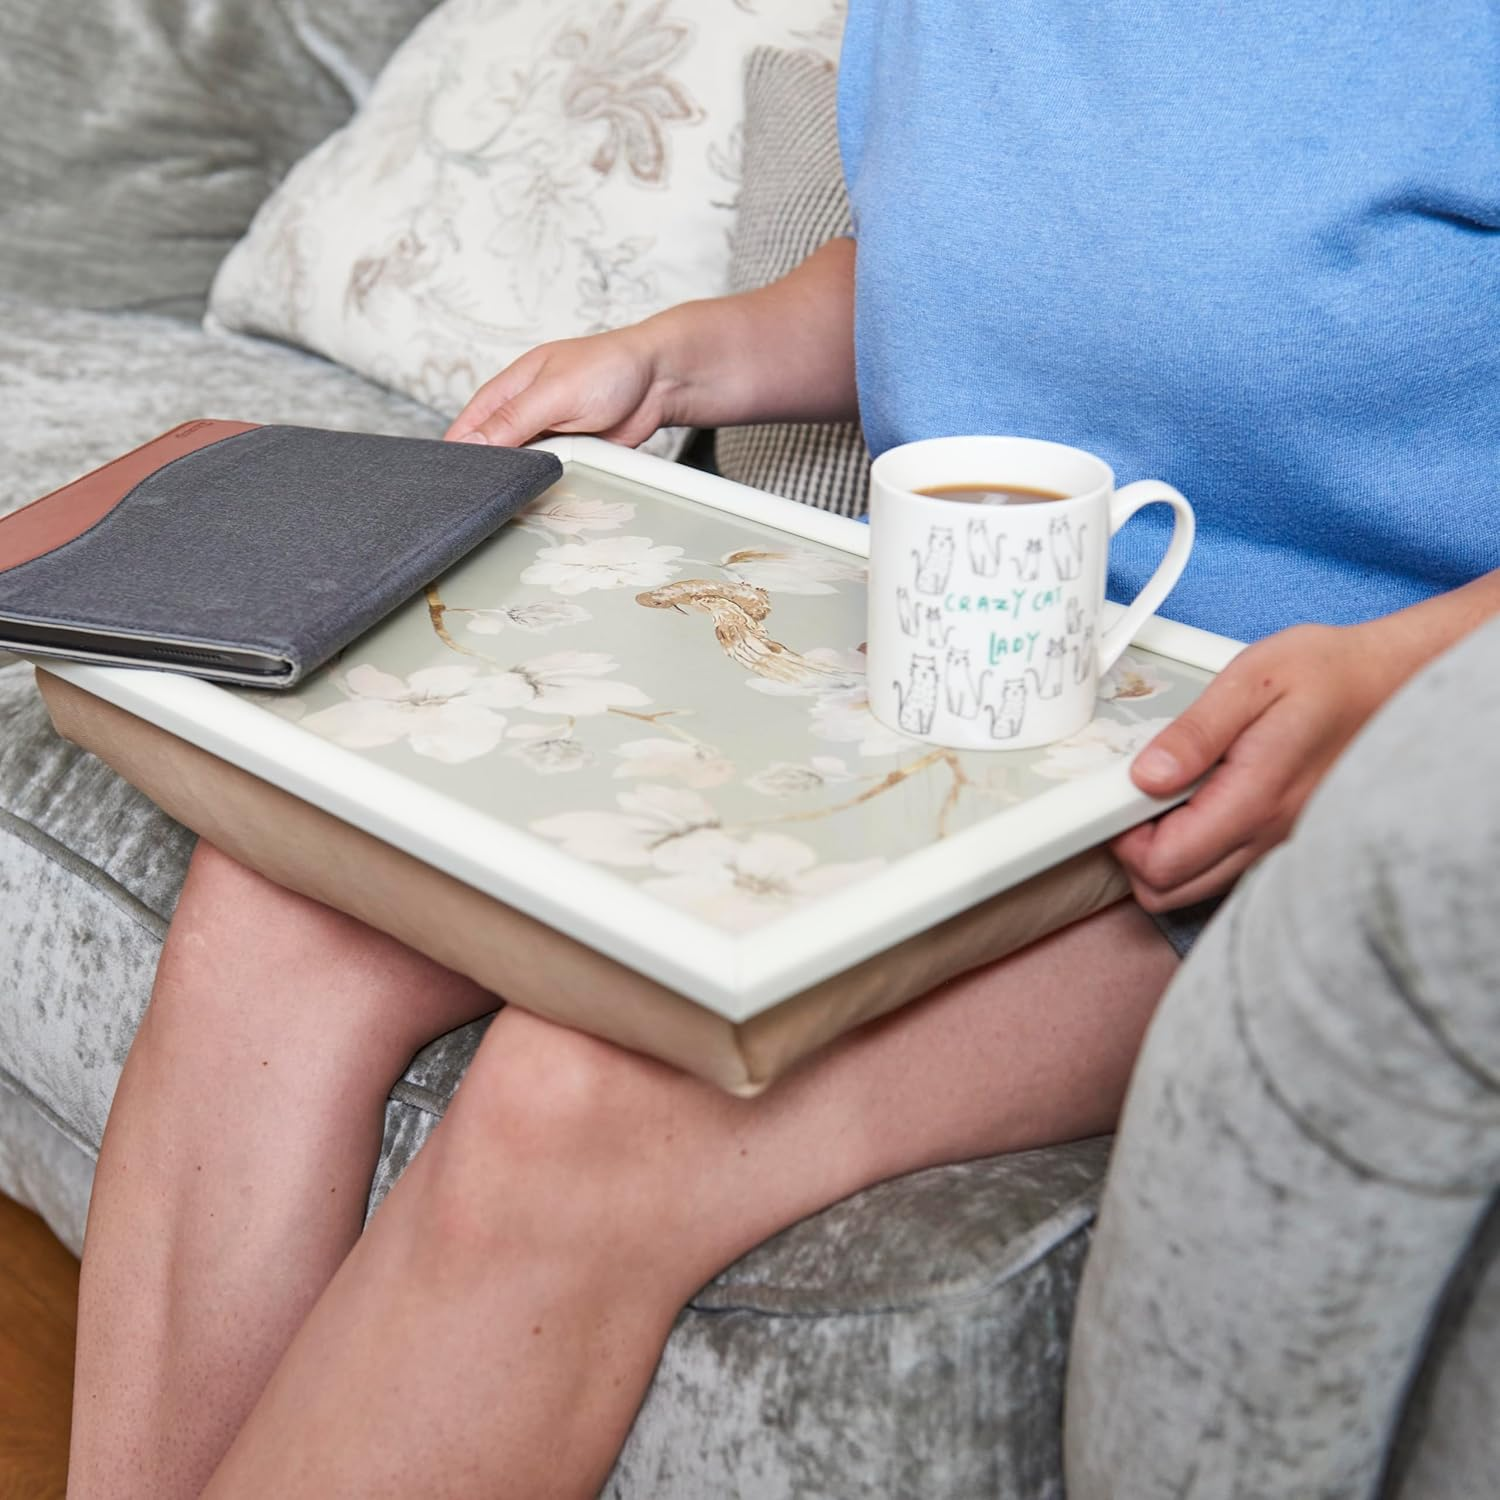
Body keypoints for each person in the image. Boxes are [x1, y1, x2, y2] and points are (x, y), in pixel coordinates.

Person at [66, 3, 1499, 1497]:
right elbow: (991, 271)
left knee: (584, 1097)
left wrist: (1401, 681)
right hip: (917, 679)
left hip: (1291, 777)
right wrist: (678, 361)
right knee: (270, 911)